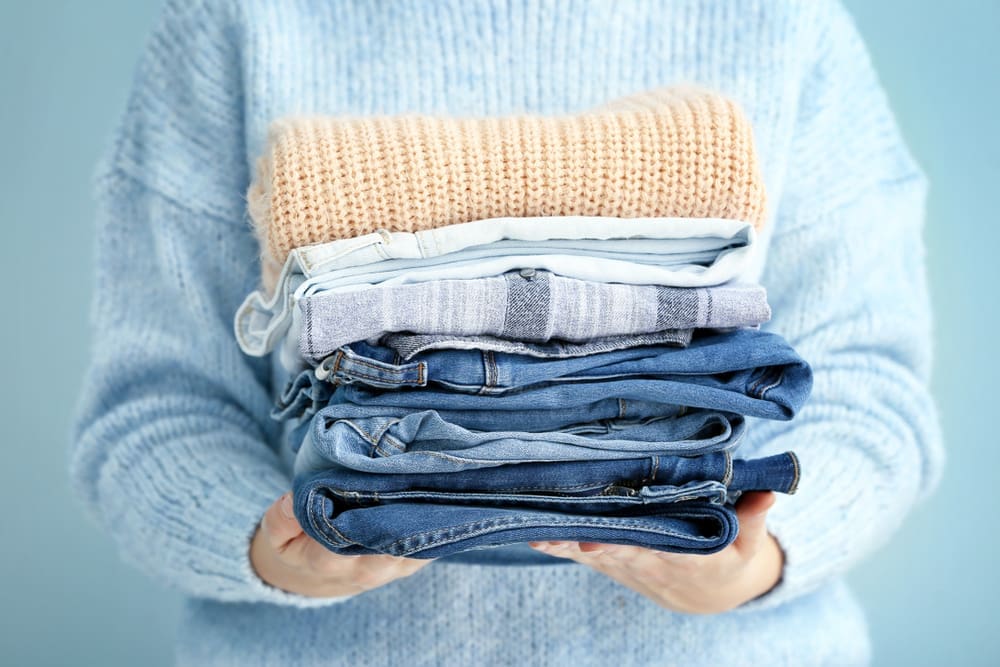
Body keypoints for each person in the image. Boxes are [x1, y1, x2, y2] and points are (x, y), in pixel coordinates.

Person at [70, 1, 943, 665]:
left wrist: (766, 553)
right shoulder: (240, 22)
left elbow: (868, 384)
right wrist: (264, 548)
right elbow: (157, 407)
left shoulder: (779, 21)